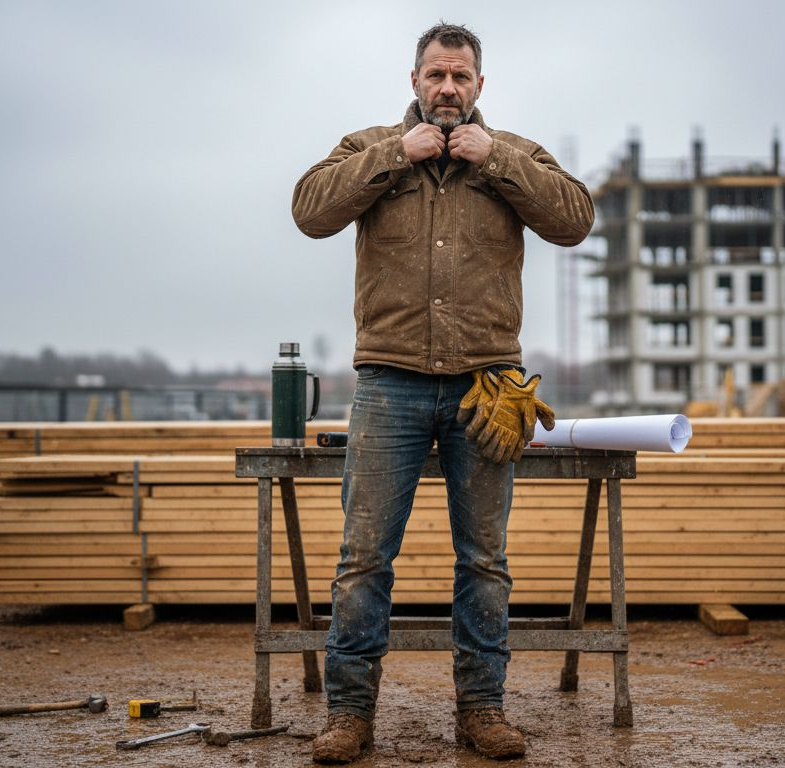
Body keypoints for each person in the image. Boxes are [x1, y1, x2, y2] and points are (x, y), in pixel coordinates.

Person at [290, 22, 594, 763]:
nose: (448, 88)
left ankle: (481, 710)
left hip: (484, 386)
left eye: (461, 77)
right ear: (415, 81)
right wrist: (397, 154)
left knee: (484, 559)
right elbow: (309, 211)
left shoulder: (513, 153)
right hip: (388, 382)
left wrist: (500, 163)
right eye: (436, 75)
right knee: (364, 558)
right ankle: (349, 716)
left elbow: (575, 220)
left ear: (480, 85)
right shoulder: (369, 148)